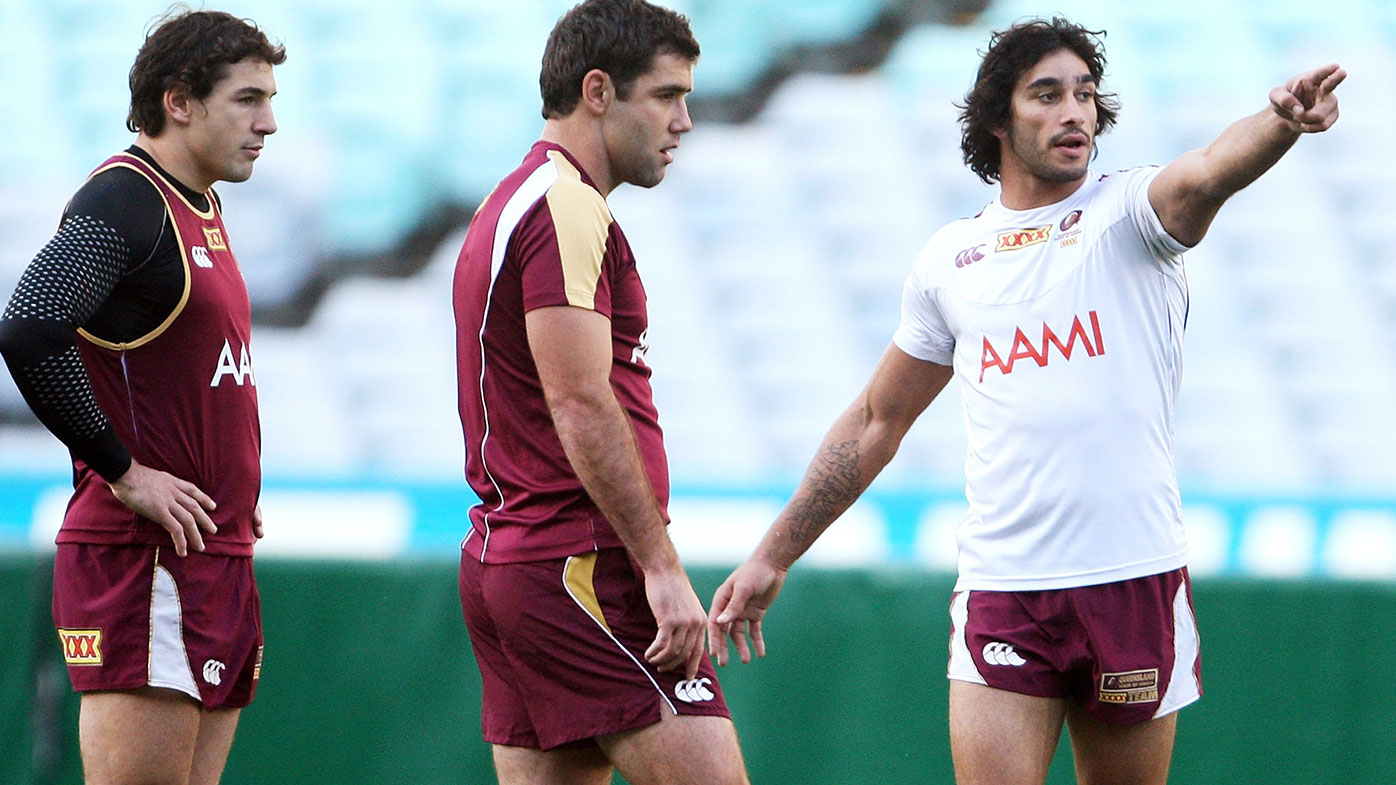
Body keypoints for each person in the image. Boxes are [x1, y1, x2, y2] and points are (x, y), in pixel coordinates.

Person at [707, 17, 1343, 785]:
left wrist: (1280, 123)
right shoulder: (951, 261)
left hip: (1131, 579)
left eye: (1083, 94)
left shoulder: (1131, 214)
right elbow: (879, 420)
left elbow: (1210, 170)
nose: (1073, 111)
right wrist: (775, 554)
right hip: (1006, 588)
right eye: (1047, 95)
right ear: (1000, 119)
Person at [449, 1, 749, 784]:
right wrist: (658, 563)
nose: (684, 120)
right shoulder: (564, 204)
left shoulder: (510, 198)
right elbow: (579, 400)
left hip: (510, 557)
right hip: (581, 566)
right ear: (598, 91)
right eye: (667, 95)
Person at [0, 9, 283, 785]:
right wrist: (125, 470)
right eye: (248, 99)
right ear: (178, 101)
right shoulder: (127, 201)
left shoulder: (202, 206)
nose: (269, 122)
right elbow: (29, 325)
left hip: (210, 551)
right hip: (143, 559)